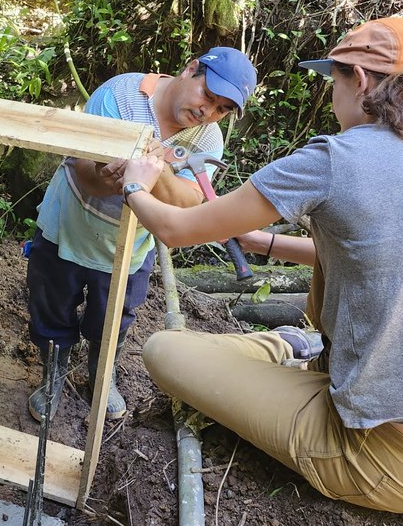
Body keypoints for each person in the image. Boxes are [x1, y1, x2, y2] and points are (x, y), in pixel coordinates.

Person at [120, 17, 403, 513]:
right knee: (334, 243)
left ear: (361, 80)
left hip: (399, 464)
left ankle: (287, 343)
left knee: (165, 351)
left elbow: (172, 230)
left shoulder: (336, 157)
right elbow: (374, 256)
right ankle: (302, 348)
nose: (334, 97)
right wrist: (259, 241)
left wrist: (135, 183)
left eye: (334, 81)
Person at [25, 48, 258, 422]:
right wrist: (108, 177)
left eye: (222, 109)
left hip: (130, 247)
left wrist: (154, 169)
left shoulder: (208, 139)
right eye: (207, 95)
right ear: (191, 69)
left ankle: (102, 375)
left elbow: (187, 201)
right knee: (51, 308)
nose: (208, 111)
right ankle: (53, 374)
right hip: (67, 228)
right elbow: (85, 176)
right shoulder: (120, 95)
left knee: (113, 318)